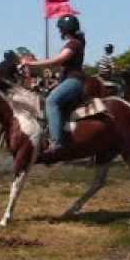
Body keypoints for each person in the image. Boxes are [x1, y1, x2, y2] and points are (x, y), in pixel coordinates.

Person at [21, 14, 85, 164]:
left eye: (60, 29)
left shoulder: (74, 44)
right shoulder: (75, 42)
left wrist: (32, 64)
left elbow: (58, 60)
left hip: (74, 81)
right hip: (68, 80)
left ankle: (57, 144)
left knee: (51, 102)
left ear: (64, 29)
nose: (59, 32)